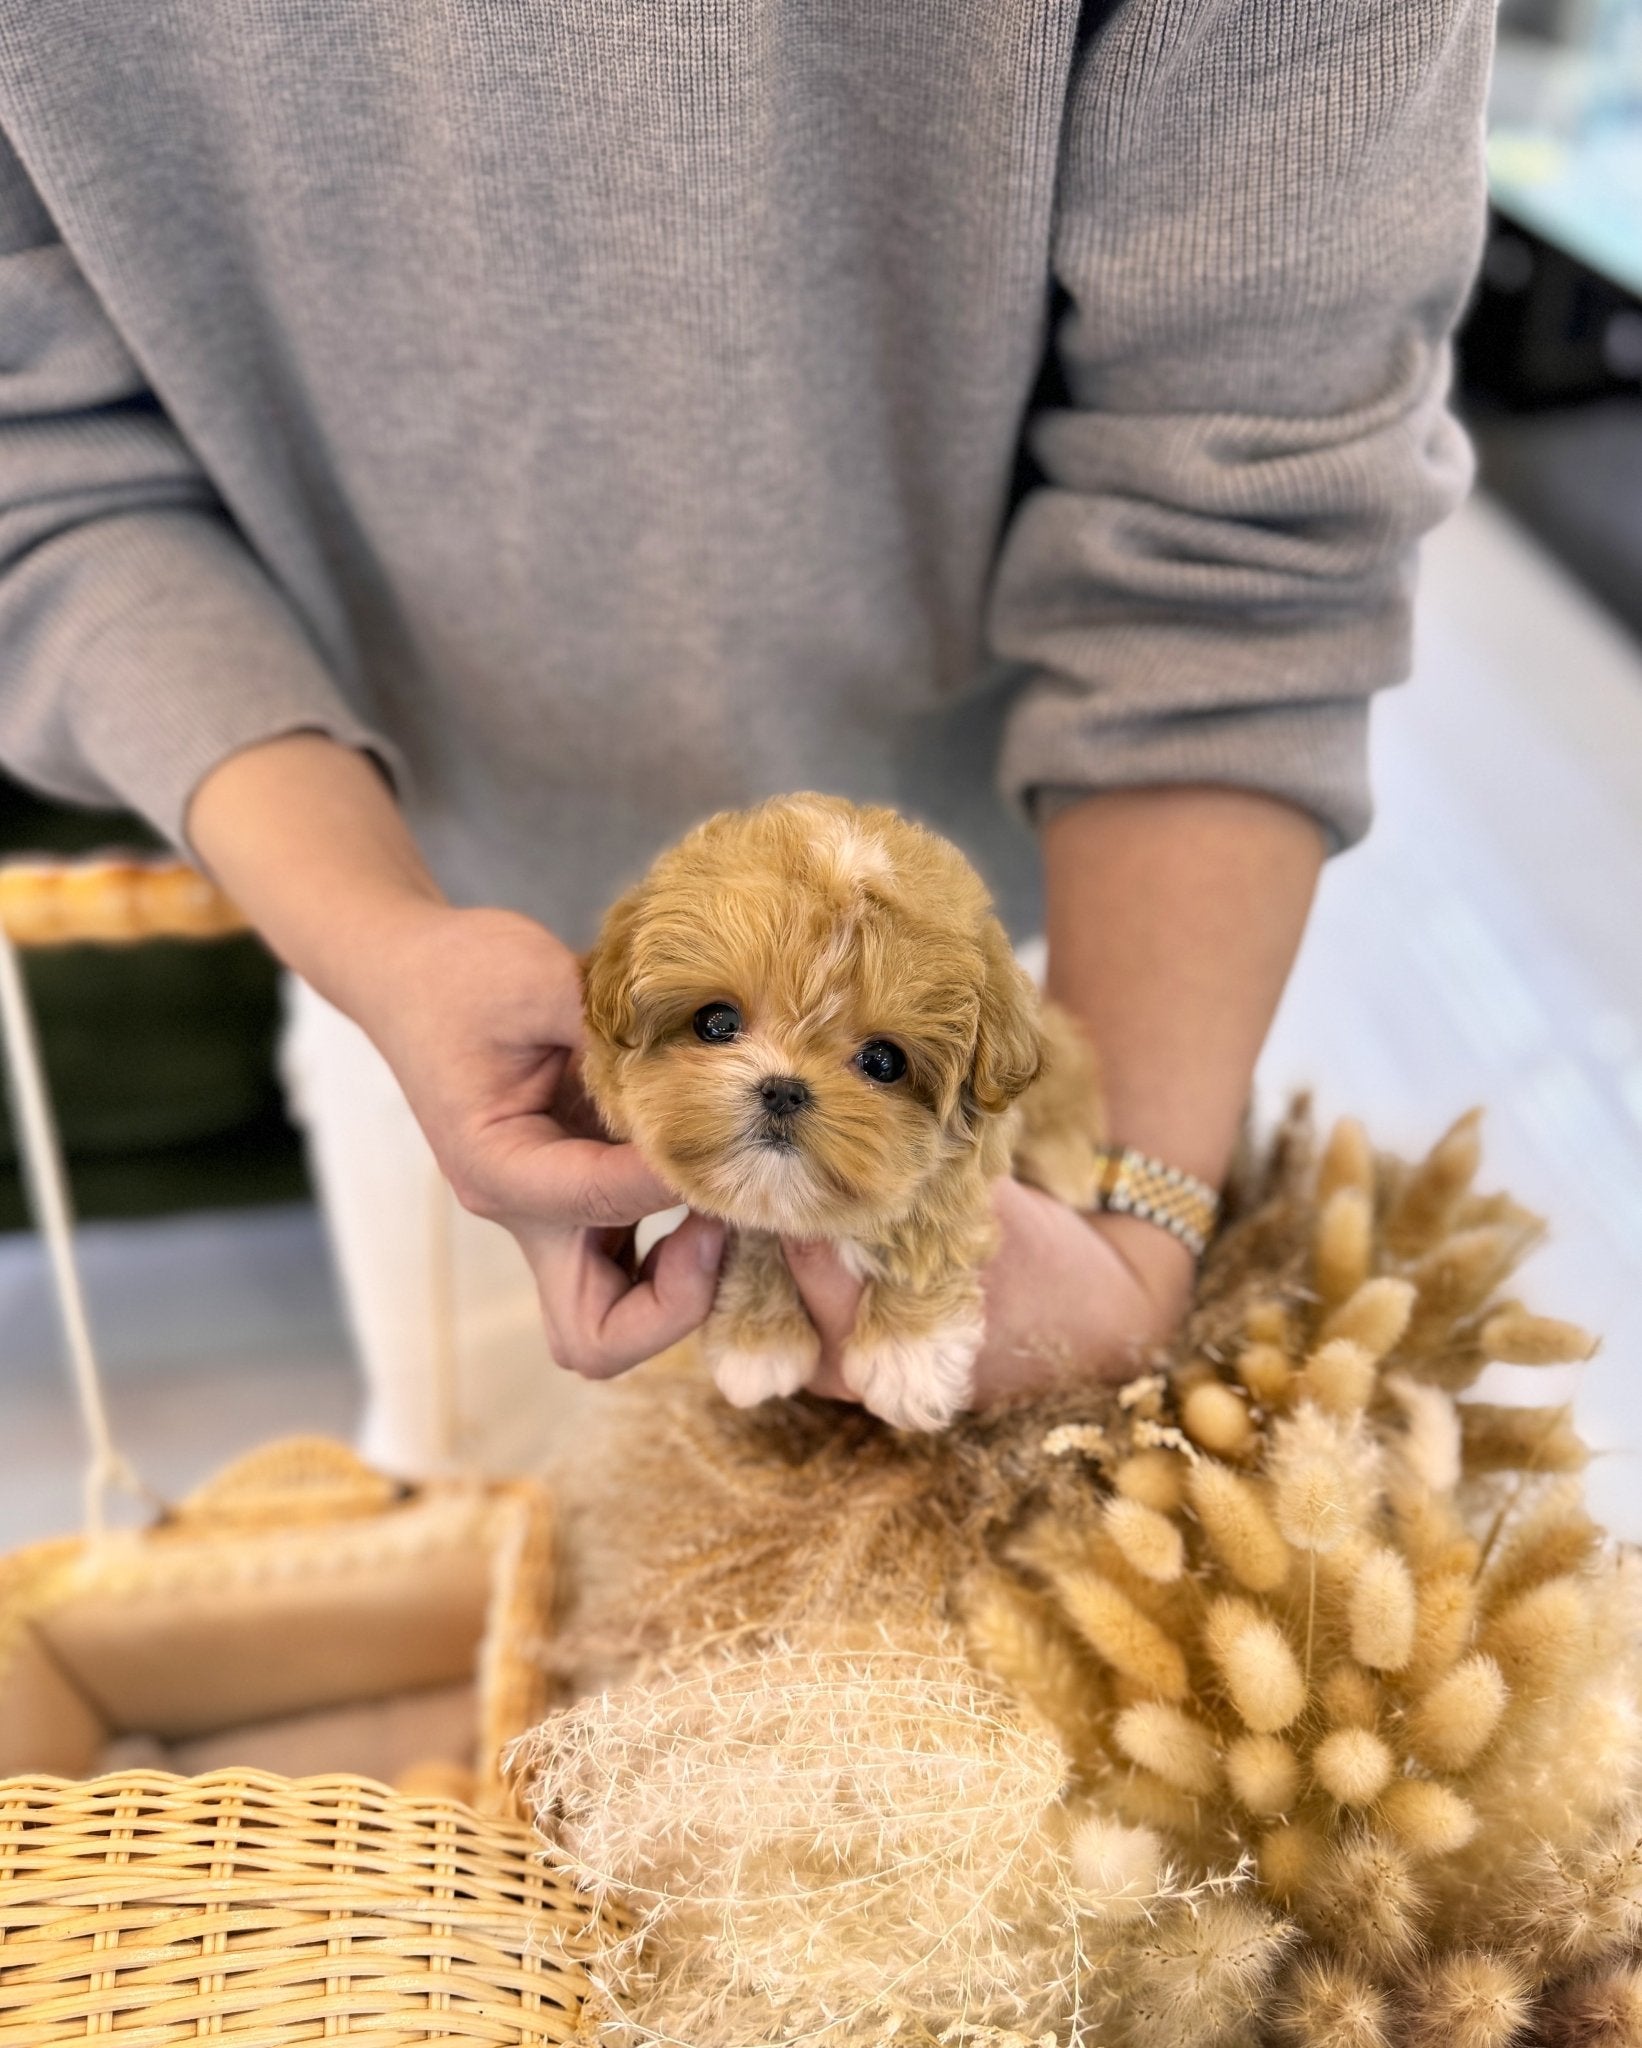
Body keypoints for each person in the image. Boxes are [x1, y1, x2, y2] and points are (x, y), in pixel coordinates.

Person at [0, 3, 1492, 1466]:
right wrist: (381, 939)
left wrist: (1135, 1230)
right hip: (413, 932)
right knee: (489, 1511)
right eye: (726, 1028)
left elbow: (1244, 502)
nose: (770, 1070)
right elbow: (46, 466)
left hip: (1050, 902)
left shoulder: (981, 1047)